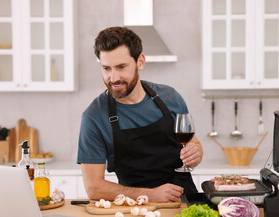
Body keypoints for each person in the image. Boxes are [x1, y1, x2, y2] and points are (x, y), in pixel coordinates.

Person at [77, 26, 203, 203]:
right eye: (106, 68)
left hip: (186, 202)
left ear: (140, 62)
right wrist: (150, 195)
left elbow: (192, 144)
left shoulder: (170, 98)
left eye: (121, 67)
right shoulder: (94, 117)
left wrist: (196, 154)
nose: (113, 78)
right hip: (135, 209)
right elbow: (94, 188)